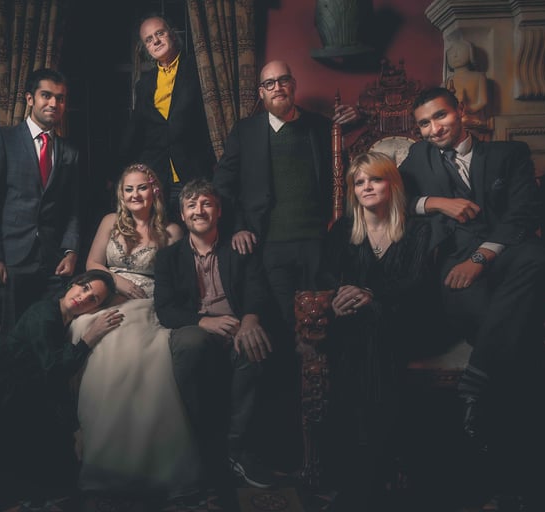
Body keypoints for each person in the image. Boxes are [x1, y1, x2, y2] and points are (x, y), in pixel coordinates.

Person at [399, 86, 545, 505]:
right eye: (425, 123)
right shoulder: (418, 158)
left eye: (440, 117)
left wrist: (482, 257)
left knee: (540, 256)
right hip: (451, 267)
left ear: (461, 111)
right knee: (515, 341)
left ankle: (477, 378)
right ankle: (516, 476)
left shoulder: (509, 154)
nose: (434, 129)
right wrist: (437, 203)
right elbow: (392, 198)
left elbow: (525, 213)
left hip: (501, 255)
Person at [211, 59, 360, 470]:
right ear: (261, 92)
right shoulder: (245, 132)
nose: (277, 87)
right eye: (269, 83)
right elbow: (223, 184)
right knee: (279, 342)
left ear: (293, 85)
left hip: (318, 245)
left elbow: (343, 172)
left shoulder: (318, 126)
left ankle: (326, 449)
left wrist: (355, 119)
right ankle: (283, 448)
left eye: (283, 80)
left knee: (322, 339)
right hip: (269, 248)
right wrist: (238, 226)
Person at [68, 163, 200, 499]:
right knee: (89, 328)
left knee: (134, 345)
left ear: (154, 190)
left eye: (141, 187)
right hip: (106, 294)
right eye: (128, 189)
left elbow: (177, 279)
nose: (134, 195)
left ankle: (139, 462)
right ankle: (97, 447)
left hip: (147, 301)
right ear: (121, 195)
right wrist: (118, 280)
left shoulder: (171, 231)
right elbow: (92, 263)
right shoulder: (109, 223)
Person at [316, 152, 435, 511]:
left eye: (376, 179)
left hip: (405, 321)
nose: (367, 187)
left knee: (370, 330)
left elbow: (417, 285)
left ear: (391, 184)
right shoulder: (342, 229)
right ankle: (377, 471)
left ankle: (359, 481)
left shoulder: (417, 230)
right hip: (355, 322)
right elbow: (325, 275)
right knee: (358, 333)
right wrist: (338, 297)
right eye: (360, 182)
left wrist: (372, 296)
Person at [0, 270, 121, 499]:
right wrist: (89, 338)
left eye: (94, 299)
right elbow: (53, 369)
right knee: (41, 477)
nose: (84, 297)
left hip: (25, 393)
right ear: (73, 284)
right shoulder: (45, 313)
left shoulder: (64, 321)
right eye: (84, 288)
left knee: (62, 466)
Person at [154, 178, 275, 489]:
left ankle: (237, 449)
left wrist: (249, 320)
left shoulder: (238, 246)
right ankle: (203, 448)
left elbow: (256, 289)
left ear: (219, 210)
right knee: (190, 345)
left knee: (254, 345)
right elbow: (165, 309)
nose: (199, 210)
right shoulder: (168, 257)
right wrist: (202, 321)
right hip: (195, 326)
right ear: (182, 215)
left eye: (206, 203)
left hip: (236, 323)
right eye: (191, 205)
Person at [0, 68, 82, 341]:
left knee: (49, 337)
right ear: (30, 99)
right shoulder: (4, 139)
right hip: (11, 261)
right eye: (46, 96)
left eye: (60, 98)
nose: (53, 104)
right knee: (14, 339)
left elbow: (71, 208)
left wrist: (70, 250)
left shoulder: (69, 151)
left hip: (52, 263)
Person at [119, 14, 216, 220]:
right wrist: (117, 171)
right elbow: (136, 131)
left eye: (159, 33)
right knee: (164, 238)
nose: (155, 41)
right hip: (157, 178)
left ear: (171, 35)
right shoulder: (144, 83)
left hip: (194, 172)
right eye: (148, 39)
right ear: (146, 47)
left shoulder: (198, 69)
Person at [444, 38, 488, 128]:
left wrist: (466, 109)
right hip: (455, 117)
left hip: (471, 116)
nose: (455, 56)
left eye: (460, 51)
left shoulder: (479, 77)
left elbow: (483, 101)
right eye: (451, 53)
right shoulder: (448, 80)